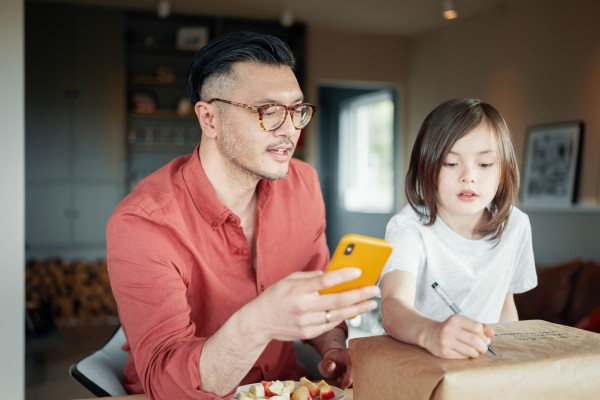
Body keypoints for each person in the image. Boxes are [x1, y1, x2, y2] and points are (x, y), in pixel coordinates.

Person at [106, 31, 379, 399]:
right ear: (210, 119)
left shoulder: (303, 184)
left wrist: (332, 344)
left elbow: (319, 296)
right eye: (268, 112)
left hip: (284, 387)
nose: (290, 130)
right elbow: (167, 385)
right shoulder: (143, 223)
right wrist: (260, 321)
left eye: (298, 110)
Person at [379, 98, 537, 360]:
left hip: (482, 364)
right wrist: (432, 333)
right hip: (417, 363)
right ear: (426, 167)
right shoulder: (408, 227)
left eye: (485, 164)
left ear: (503, 170)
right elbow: (393, 306)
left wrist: (512, 363)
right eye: (451, 163)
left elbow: (505, 305)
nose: (469, 176)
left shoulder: (516, 225)